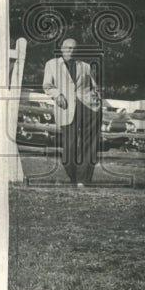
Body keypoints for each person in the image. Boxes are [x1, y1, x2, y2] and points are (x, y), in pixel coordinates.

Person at [43, 37, 102, 186]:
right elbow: (47, 86)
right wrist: (58, 95)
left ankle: (83, 181)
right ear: (62, 49)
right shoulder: (51, 64)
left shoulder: (85, 67)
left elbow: (95, 86)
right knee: (68, 149)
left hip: (89, 108)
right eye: (68, 48)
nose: (71, 51)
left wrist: (97, 99)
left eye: (74, 48)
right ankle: (75, 178)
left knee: (89, 145)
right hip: (67, 109)